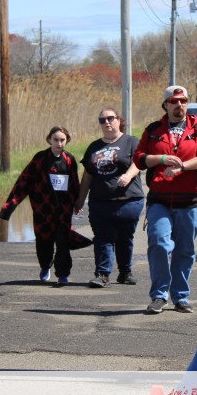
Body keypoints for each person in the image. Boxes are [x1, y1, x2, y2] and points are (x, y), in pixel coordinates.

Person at [133, 85, 197, 315]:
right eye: (174, 101)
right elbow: (139, 158)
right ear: (166, 105)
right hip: (159, 199)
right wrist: (161, 159)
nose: (179, 105)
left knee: (185, 250)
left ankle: (180, 297)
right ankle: (159, 296)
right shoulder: (153, 130)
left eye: (183, 101)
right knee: (159, 243)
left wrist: (182, 167)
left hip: (190, 200)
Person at [0, 126, 81, 286]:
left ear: (67, 141)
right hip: (43, 210)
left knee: (63, 242)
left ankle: (63, 274)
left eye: (62, 140)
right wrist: (10, 206)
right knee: (44, 242)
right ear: (49, 140)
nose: (59, 143)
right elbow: (24, 181)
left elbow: (74, 183)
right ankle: (45, 265)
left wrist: (77, 202)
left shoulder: (70, 159)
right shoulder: (40, 158)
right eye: (55, 140)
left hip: (63, 210)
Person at [75, 107, 145, 288]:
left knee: (125, 238)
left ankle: (125, 272)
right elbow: (87, 176)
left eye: (110, 118)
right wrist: (80, 201)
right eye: (102, 120)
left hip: (129, 201)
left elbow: (138, 162)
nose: (106, 122)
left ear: (118, 120)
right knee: (103, 238)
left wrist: (128, 175)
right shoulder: (94, 147)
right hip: (101, 203)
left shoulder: (130, 142)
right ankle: (102, 274)